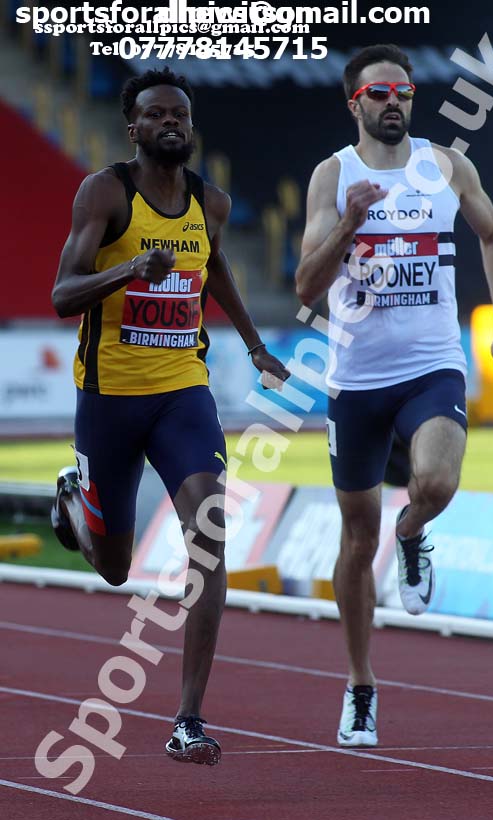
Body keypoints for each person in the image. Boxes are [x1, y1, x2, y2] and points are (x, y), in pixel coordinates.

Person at [50, 67, 289, 766]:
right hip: (109, 398)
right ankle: (74, 501)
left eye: (179, 114)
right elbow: (63, 294)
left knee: (208, 537)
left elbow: (216, 267)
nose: (170, 123)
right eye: (156, 114)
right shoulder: (105, 193)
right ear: (133, 128)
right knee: (115, 568)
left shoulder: (210, 201)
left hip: (183, 391)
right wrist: (129, 272)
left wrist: (255, 345)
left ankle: (188, 719)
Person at [295, 44, 493, 748]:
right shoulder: (334, 175)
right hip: (357, 382)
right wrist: (348, 223)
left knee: (436, 481)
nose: (393, 100)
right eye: (379, 92)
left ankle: (413, 531)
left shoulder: (445, 166)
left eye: (403, 90)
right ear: (354, 103)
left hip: (432, 367)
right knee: (356, 537)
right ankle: (360, 686)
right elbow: (306, 286)